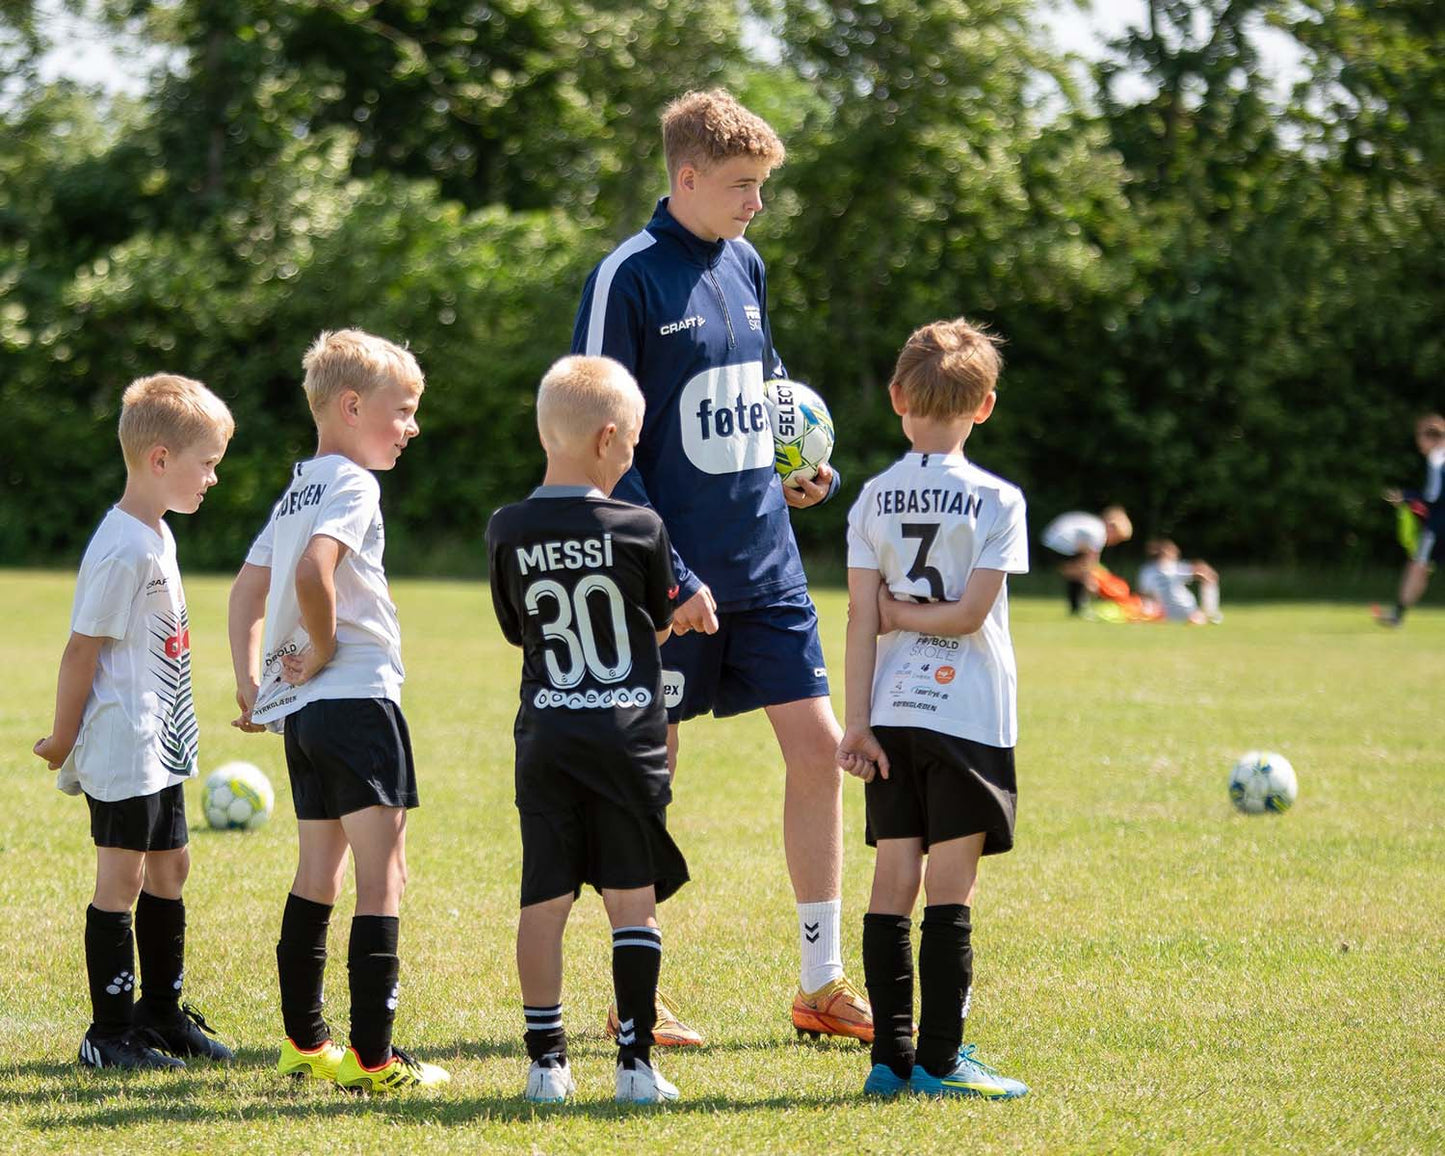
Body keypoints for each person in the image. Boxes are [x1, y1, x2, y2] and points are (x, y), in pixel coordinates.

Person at [572, 87, 871, 1045]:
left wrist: (795, 475)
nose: (756, 205)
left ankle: (821, 985)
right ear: (686, 176)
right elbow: (590, 440)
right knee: (650, 775)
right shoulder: (626, 277)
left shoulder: (746, 262)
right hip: (668, 577)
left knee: (821, 752)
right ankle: (637, 987)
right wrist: (664, 572)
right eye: (741, 186)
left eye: (763, 187)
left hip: (768, 567)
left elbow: (761, 395)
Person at [227, 329, 449, 1092]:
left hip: (306, 717)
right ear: (352, 406)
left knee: (317, 869)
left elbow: (246, 591)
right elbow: (317, 573)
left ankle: (303, 1042)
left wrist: (252, 681)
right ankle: (375, 1060)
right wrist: (321, 652)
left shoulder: (299, 487)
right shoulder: (354, 484)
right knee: (383, 876)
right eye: (404, 410)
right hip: (355, 700)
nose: (412, 427)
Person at [487, 355, 691, 1104]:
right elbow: (658, 624)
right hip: (625, 740)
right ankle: (635, 1068)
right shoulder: (641, 525)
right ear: (608, 438)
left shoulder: (507, 526)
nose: (633, 451)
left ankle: (546, 1066)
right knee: (630, 904)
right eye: (633, 439)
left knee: (542, 903)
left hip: (545, 739)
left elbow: (519, 630)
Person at [839, 317, 1029, 1100]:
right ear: (983, 405)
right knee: (949, 888)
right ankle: (942, 1062)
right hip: (967, 715)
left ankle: (888, 1059)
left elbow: (858, 618)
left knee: (892, 882)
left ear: (895, 398)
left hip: (889, 711)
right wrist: (918, 614)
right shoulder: (996, 499)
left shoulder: (872, 497)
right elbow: (966, 617)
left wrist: (855, 722)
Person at [33, 373, 236, 1070]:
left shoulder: (156, 533)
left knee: (171, 866)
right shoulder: (120, 546)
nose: (212, 478)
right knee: (119, 878)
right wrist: (63, 739)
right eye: (205, 464)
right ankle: (108, 1033)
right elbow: (81, 648)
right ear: (159, 459)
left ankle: (161, 1014)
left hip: (162, 739)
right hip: (123, 742)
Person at [1374, 412, 1445, 627]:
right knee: (1419, 566)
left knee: (1417, 566)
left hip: (1439, 525)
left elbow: (1433, 497)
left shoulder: (1437, 458)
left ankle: (1397, 615)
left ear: (1431, 438)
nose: (1419, 445)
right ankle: (1397, 613)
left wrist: (1406, 496)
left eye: (1420, 439)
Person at [1040, 506, 1132, 615]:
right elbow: (1091, 562)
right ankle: (1080, 605)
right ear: (1111, 527)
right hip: (1056, 547)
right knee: (1081, 572)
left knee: (1079, 571)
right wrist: (1092, 582)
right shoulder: (1099, 533)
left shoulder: (1093, 524)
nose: (1113, 543)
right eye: (1116, 538)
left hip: (1049, 542)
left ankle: (1077, 607)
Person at [1136, 539, 1222, 624]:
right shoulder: (1170, 568)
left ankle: (1207, 614)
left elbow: (1143, 594)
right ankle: (1209, 613)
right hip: (1173, 611)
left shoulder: (1149, 570)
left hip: (1176, 611)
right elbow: (1207, 575)